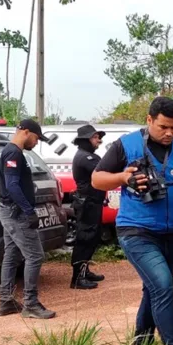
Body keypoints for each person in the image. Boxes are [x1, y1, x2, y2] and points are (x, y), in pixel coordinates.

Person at [91, 97, 173, 345]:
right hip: (136, 231)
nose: (169, 133)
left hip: (171, 233)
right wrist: (122, 177)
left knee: (153, 290)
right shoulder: (126, 145)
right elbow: (97, 179)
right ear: (149, 120)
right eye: (163, 127)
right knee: (165, 286)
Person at [0, 119, 56, 319]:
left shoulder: (12, 152)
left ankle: (6, 301)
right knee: (35, 256)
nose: (36, 142)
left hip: (9, 210)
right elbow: (12, 185)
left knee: (12, 254)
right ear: (26, 132)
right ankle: (30, 303)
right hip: (16, 212)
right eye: (36, 138)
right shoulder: (13, 153)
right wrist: (29, 210)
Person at [70, 124, 107, 290]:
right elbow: (105, 170)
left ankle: (84, 271)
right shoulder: (86, 157)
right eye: (95, 137)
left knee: (92, 236)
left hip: (92, 202)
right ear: (85, 140)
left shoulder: (88, 155)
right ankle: (77, 277)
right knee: (85, 238)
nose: (99, 140)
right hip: (87, 204)